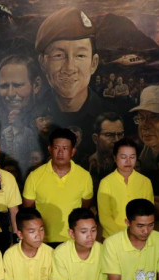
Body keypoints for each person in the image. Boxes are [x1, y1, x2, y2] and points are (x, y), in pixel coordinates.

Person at [34, 7, 112, 163]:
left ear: (93, 63)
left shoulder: (115, 119)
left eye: (80, 55)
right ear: (43, 63)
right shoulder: (29, 118)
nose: (69, 68)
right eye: (59, 55)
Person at [23, 127, 93, 247]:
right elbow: (27, 212)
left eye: (65, 148)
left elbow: (84, 209)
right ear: (50, 149)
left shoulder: (84, 176)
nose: (60, 153)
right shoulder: (34, 176)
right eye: (56, 148)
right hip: (42, 241)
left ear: (73, 151)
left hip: (72, 241)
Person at [97, 138, 154, 237]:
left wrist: (137, 233)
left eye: (132, 157)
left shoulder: (145, 182)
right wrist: (123, 236)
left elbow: (149, 212)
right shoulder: (106, 182)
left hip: (139, 236)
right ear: (115, 158)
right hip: (112, 237)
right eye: (123, 157)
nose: (128, 161)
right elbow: (105, 217)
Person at [88, 112, 124, 186]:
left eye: (120, 134)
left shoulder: (130, 166)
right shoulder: (84, 166)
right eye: (109, 135)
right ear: (95, 139)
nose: (117, 140)